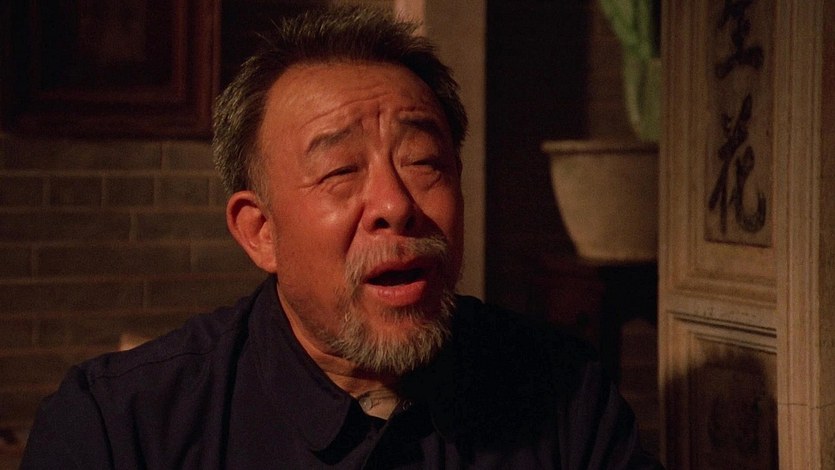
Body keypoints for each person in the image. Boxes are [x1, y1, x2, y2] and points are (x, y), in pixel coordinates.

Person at [21, 6, 663, 469]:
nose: (395, 205)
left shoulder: (565, 397)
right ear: (260, 231)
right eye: (339, 171)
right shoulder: (119, 427)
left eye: (423, 162)